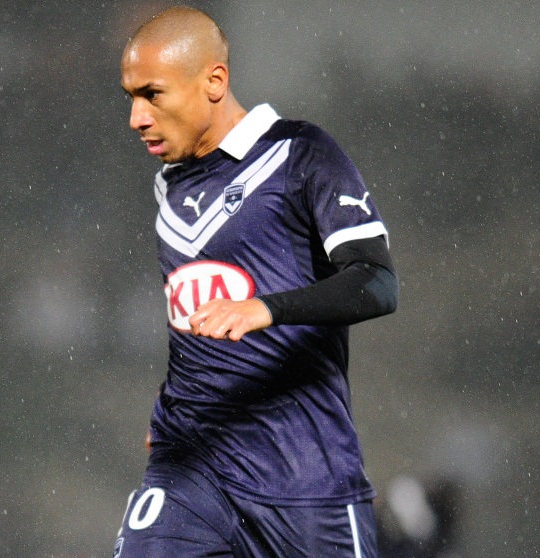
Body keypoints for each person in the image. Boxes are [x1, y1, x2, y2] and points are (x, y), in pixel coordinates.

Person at [115, 6, 398, 558]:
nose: (136, 117)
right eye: (130, 96)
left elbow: (377, 282)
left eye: (152, 94)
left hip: (302, 479)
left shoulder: (300, 154)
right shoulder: (170, 186)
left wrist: (266, 308)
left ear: (214, 81)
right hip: (190, 466)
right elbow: (193, 323)